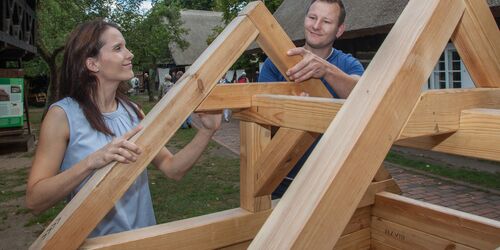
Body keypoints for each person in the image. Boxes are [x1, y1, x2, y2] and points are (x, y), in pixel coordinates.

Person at [25, 20, 222, 237]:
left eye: (125, 47)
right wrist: (92, 162)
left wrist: (206, 131)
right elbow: (35, 201)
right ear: (92, 64)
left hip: (142, 240)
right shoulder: (62, 116)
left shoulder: (134, 112)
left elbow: (172, 168)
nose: (130, 54)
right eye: (118, 48)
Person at [258, 0, 364, 198]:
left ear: (339, 30)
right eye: (312, 17)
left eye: (326, 21)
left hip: (330, 181)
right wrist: (291, 114)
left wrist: (325, 69)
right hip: (279, 180)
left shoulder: (349, 64)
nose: (316, 26)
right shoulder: (275, 63)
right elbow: (261, 124)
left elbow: (364, 95)